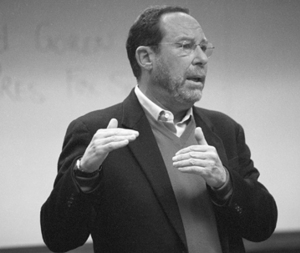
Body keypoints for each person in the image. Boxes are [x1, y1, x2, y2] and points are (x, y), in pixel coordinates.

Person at [40, 5, 277, 253]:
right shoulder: (94, 132)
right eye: (186, 46)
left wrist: (225, 182)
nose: (202, 59)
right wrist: (84, 173)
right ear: (146, 58)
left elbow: (262, 227)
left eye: (204, 47)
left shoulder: (225, 129)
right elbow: (60, 238)